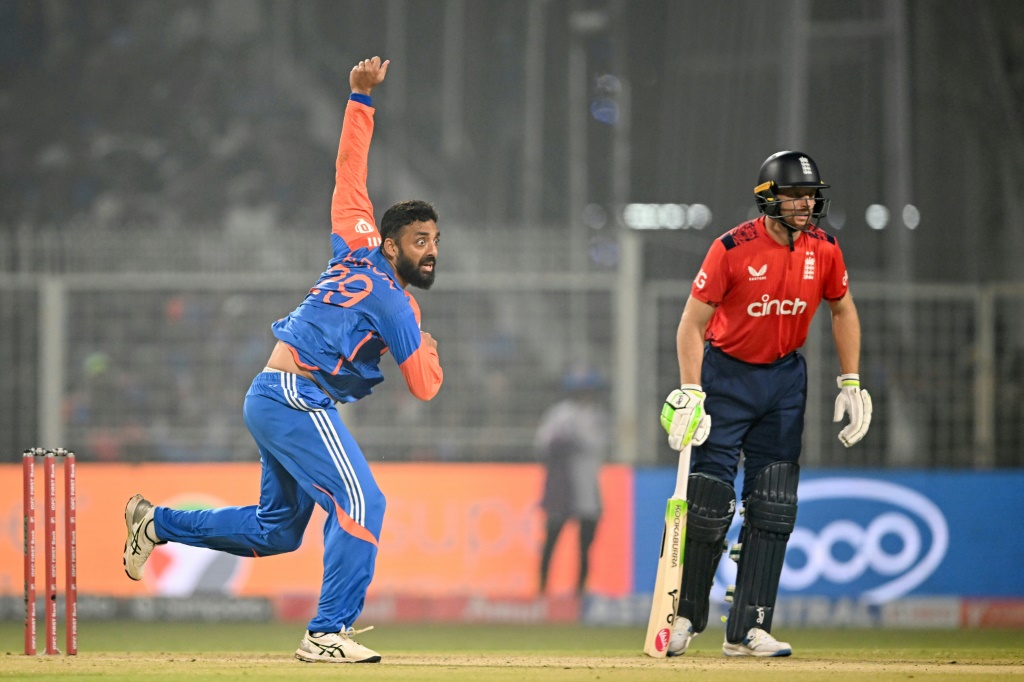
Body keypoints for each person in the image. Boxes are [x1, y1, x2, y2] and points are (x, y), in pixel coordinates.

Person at [122, 57, 443, 664]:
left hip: (272, 392)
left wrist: (359, 98)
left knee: (277, 531)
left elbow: (350, 171)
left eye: (435, 242)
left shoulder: (355, 241)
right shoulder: (400, 310)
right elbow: (424, 388)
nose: (430, 254)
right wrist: (428, 351)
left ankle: (155, 522)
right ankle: (327, 632)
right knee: (361, 503)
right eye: (421, 242)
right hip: (295, 396)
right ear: (393, 243)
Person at [659, 151, 872, 658]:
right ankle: (686, 615)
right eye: (794, 196)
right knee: (708, 504)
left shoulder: (825, 248)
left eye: (810, 195)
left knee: (773, 505)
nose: (805, 204)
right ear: (768, 198)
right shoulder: (731, 248)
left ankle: (749, 627)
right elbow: (691, 324)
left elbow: (842, 309)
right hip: (726, 377)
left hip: (783, 381)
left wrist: (851, 381)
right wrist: (692, 390)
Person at [535, 370, 608, 596]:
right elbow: (543, 442)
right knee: (552, 539)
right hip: (563, 486)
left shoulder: (597, 416)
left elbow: (600, 444)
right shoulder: (559, 414)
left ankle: (579, 591)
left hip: (587, 486)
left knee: (585, 544)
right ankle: (542, 589)